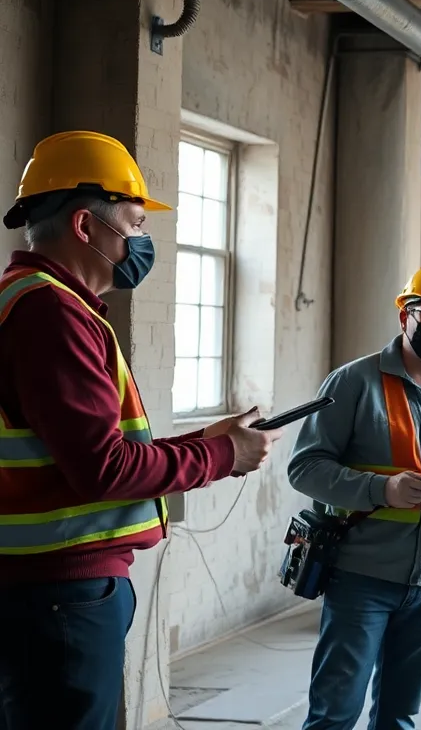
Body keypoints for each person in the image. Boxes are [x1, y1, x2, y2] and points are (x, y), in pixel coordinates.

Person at [0, 131, 283, 730]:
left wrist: (208, 440)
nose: (141, 241)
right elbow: (104, 469)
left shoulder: (37, 302)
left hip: (52, 588)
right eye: (133, 223)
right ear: (84, 226)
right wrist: (224, 456)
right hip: (60, 591)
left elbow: (96, 450)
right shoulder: (52, 313)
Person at [287, 260, 421, 730]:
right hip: (360, 577)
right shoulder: (353, 383)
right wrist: (380, 489)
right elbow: (305, 468)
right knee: (334, 712)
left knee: (400, 715)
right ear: (404, 313)